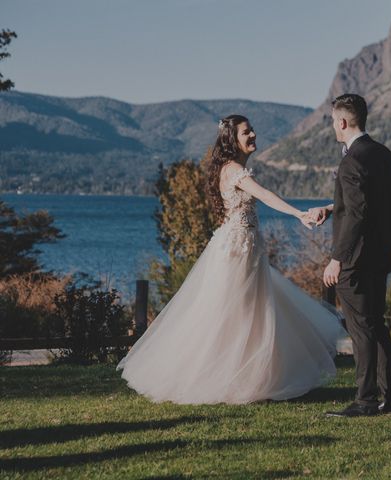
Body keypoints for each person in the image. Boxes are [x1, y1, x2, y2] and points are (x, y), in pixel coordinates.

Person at [117, 114, 344, 405]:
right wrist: (299, 214)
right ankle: (220, 379)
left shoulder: (230, 167)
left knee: (248, 314)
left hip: (243, 247)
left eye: (252, 130)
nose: (253, 135)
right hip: (238, 250)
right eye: (246, 132)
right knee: (236, 313)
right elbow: (265, 195)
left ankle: (247, 379)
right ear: (232, 139)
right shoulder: (234, 169)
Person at [309, 94, 391, 417]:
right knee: (376, 325)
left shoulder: (351, 161)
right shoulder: (382, 154)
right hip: (382, 254)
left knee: (361, 329)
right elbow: (374, 203)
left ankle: (366, 400)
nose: (332, 127)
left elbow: (357, 214)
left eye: (332, 122)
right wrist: (330, 208)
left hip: (357, 258)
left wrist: (337, 258)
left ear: (341, 122)